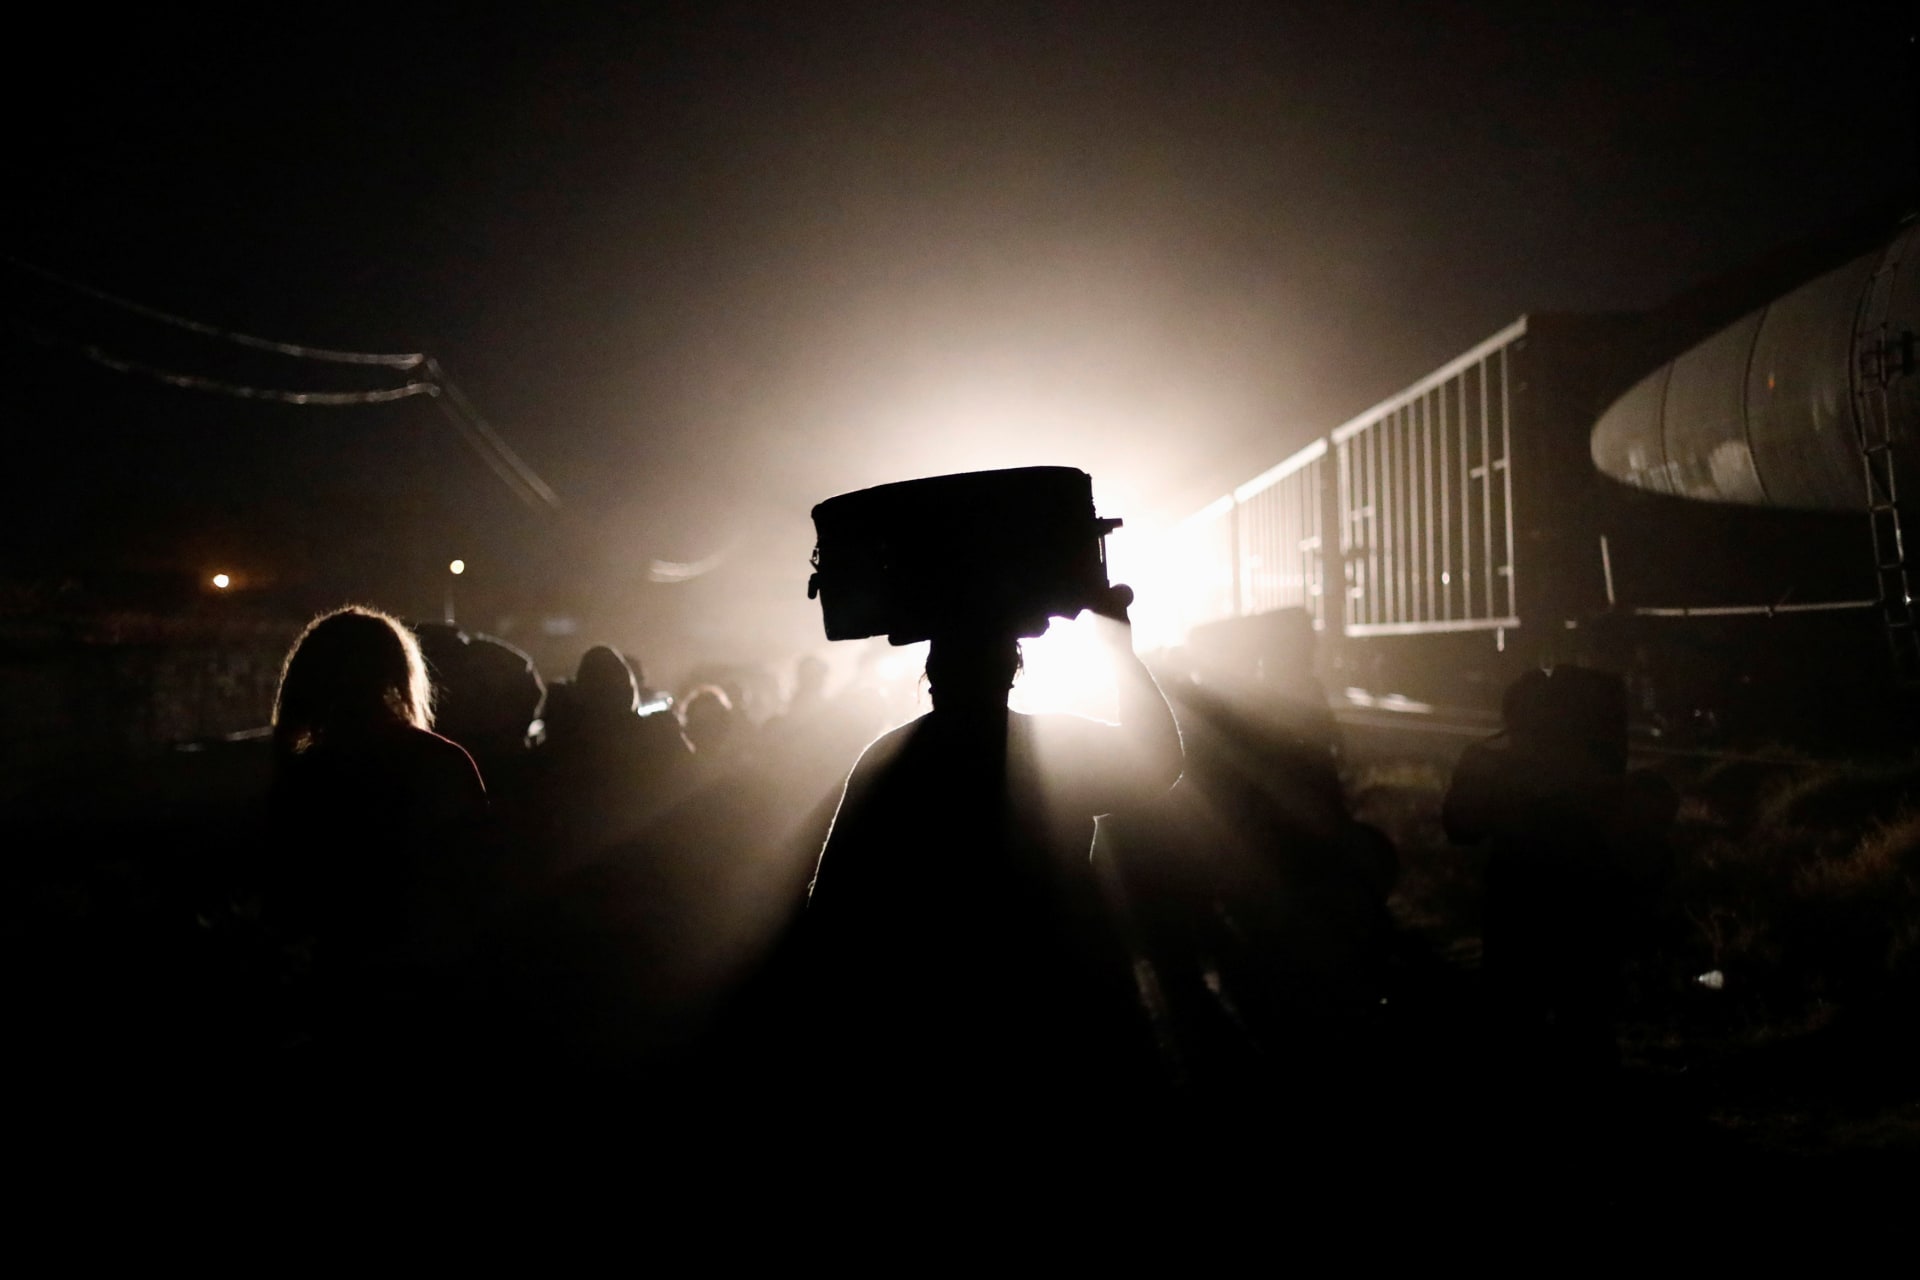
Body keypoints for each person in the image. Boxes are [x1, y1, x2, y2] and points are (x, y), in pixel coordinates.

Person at [798, 583, 1183, 1138]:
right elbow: (1158, 761)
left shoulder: (889, 758)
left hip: (924, 1016)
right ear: (1012, 670)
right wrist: (1117, 647)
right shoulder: (1050, 747)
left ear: (932, 674)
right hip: (1050, 1004)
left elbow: (833, 905)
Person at [265, 605, 488, 1068]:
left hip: (344, 979)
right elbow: (478, 873)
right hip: (436, 973)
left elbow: (287, 894)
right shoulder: (443, 762)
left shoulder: (308, 775)